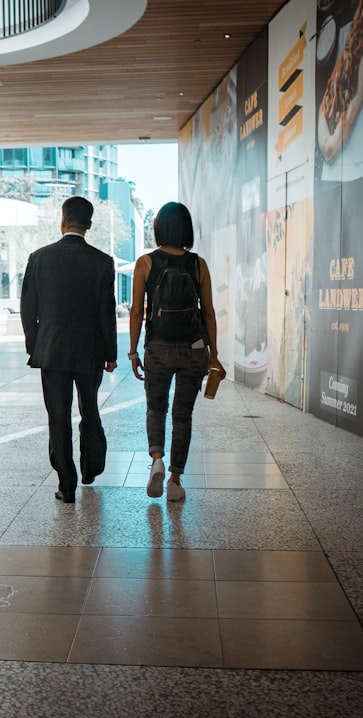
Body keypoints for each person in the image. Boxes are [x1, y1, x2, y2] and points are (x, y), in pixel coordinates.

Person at [20, 196, 118, 504]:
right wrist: (111, 353)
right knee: (90, 410)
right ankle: (90, 467)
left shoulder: (39, 258)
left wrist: (35, 345)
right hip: (90, 351)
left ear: (62, 221)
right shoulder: (102, 262)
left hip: (52, 351)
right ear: (89, 225)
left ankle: (67, 484)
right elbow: (106, 312)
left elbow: (27, 308)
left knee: (58, 417)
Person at [128, 201, 224, 502]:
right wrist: (214, 354)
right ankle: (175, 479)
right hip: (193, 349)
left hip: (157, 348)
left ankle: (156, 459)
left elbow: (136, 312)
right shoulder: (198, 264)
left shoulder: (145, 263)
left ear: (158, 229)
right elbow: (208, 312)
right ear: (186, 229)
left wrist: (133, 352)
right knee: (183, 416)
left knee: (156, 408)